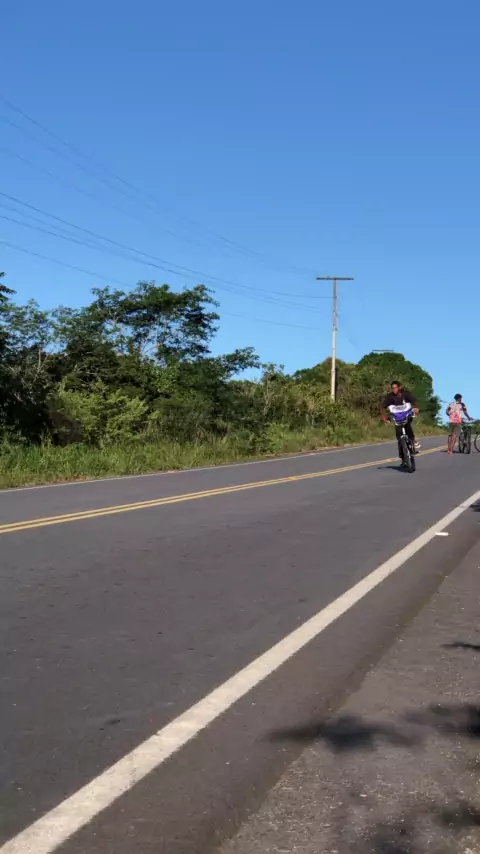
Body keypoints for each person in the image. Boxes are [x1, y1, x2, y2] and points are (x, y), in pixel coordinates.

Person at [381, 381, 420, 463]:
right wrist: (383, 417)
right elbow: (382, 407)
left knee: (408, 427)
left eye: (395, 387)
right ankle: (403, 459)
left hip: (406, 415)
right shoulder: (390, 397)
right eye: (392, 388)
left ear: (399, 387)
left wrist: (416, 408)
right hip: (397, 418)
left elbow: (414, 401)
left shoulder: (405, 394)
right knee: (400, 438)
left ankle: (412, 441)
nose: (394, 390)